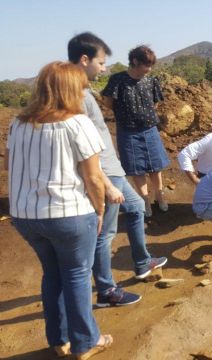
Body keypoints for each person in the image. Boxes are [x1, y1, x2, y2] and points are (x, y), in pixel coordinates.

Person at [5, 61, 112, 359]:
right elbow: (93, 178)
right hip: (69, 214)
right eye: (81, 88)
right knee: (77, 275)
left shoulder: (18, 123)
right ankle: (86, 342)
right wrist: (99, 210)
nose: (84, 93)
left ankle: (59, 339)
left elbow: (9, 166)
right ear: (70, 90)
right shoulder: (78, 124)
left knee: (52, 274)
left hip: (26, 216)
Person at [68, 33, 167, 307]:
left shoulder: (85, 92)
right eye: (101, 62)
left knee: (135, 207)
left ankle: (143, 263)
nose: (104, 68)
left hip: (114, 169)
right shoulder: (77, 95)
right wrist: (102, 180)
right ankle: (106, 291)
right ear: (85, 59)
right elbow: (80, 142)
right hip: (105, 173)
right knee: (105, 234)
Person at [101, 45, 169, 217]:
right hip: (128, 131)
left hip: (149, 129)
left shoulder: (150, 81)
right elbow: (108, 102)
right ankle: (145, 200)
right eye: (146, 65)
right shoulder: (118, 80)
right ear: (135, 61)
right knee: (136, 168)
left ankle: (159, 195)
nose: (149, 69)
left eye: (151, 65)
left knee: (155, 165)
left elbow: (155, 103)